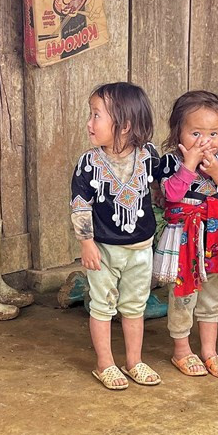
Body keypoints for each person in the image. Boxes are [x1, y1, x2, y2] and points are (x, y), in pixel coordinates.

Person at [70, 82, 161, 390]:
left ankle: (134, 361)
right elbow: (80, 204)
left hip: (141, 248)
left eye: (96, 115)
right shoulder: (89, 163)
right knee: (102, 306)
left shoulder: (149, 156)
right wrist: (86, 242)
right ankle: (105, 363)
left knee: (135, 306)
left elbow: (164, 191)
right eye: (90, 114)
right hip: (104, 250)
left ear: (125, 124)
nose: (89, 123)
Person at [152, 91, 218, 379]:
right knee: (183, 295)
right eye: (195, 133)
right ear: (178, 130)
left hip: (216, 238)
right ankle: (181, 349)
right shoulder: (170, 163)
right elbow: (170, 195)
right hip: (184, 238)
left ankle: (209, 350)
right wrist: (189, 166)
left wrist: (217, 172)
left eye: (213, 133)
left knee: (212, 297)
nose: (205, 141)